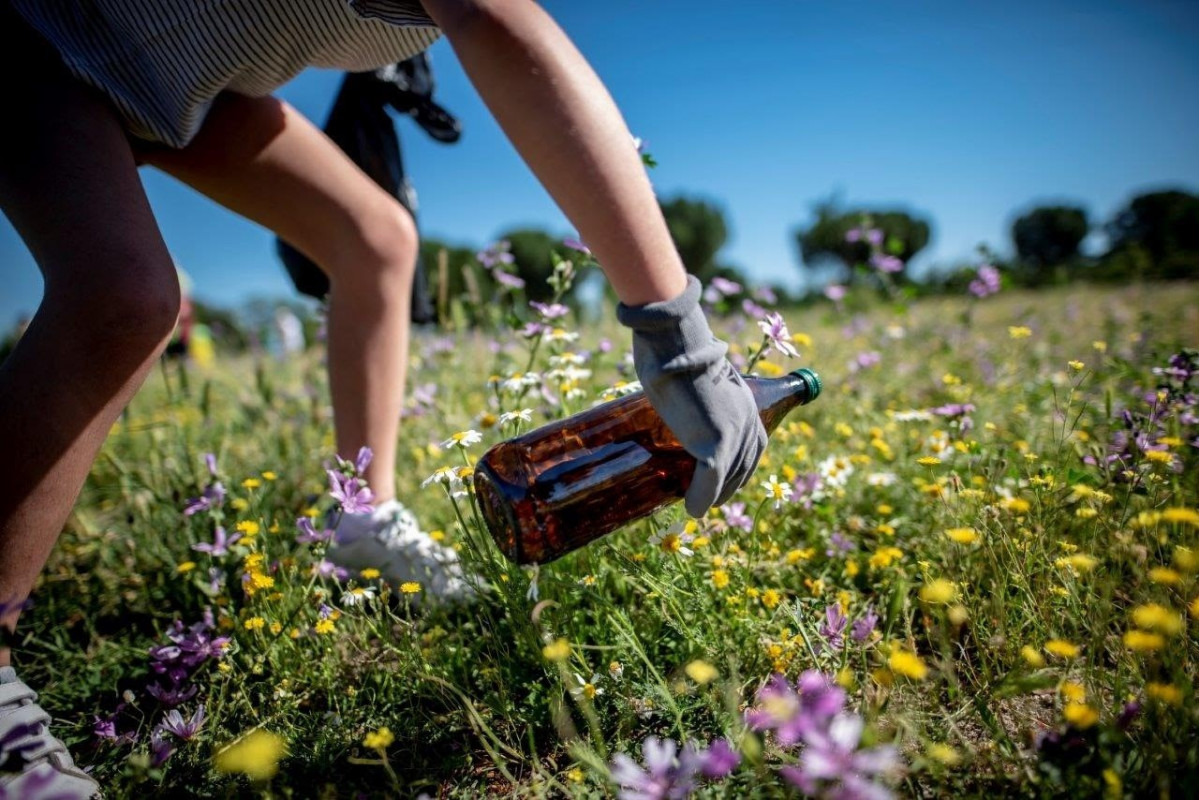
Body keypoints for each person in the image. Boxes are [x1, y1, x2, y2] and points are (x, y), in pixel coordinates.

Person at [0, 2, 767, 796]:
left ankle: (362, 521)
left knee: (377, 238)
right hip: (39, 39)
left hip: (167, 73)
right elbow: (499, 23)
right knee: (122, 298)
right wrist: (680, 342)